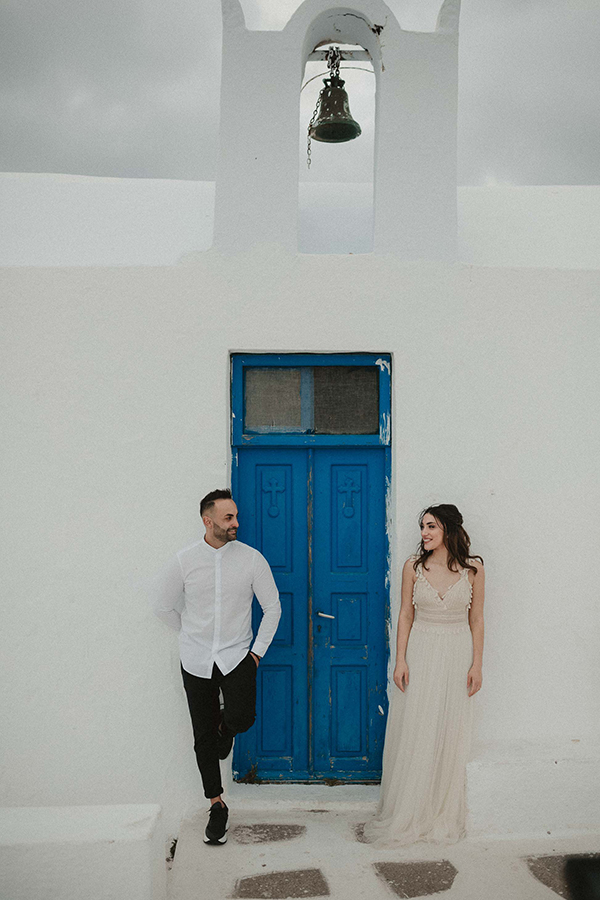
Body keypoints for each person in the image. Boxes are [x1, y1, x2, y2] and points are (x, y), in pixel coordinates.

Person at [150, 489, 281, 845]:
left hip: (238, 655)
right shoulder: (184, 561)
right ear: (208, 521)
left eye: (235, 516)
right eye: (228, 518)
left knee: (243, 718)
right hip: (195, 659)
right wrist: (191, 634)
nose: (236, 522)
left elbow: (273, 608)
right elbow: (162, 606)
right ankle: (216, 804)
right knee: (202, 736)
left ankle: (228, 728)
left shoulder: (252, 559)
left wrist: (256, 654)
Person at [364, 503, 484, 845]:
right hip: (423, 649)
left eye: (431, 526)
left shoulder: (473, 569)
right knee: (419, 725)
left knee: (449, 727)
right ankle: (411, 808)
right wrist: (399, 660)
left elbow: (477, 618)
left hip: (458, 651)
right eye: (422, 527)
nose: (424, 533)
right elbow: (405, 615)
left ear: (448, 529)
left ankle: (439, 808)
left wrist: (477, 663)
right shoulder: (413, 568)